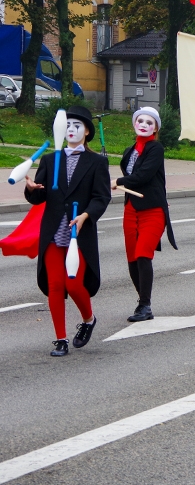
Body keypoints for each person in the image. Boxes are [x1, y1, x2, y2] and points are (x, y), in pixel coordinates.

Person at [23, 106, 111, 356]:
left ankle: (88, 319)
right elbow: (41, 196)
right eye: (68, 125)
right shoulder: (51, 159)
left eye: (77, 126)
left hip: (78, 235)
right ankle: (60, 339)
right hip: (53, 233)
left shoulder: (97, 162)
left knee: (73, 283)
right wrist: (31, 189)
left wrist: (86, 215)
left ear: (86, 132)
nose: (71, 130)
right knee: (55, 285)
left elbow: (101, 196)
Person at [112, 107, 177, 322]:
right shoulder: (129, 151)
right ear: (134, 124)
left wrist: (119, 182)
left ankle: (145, 305)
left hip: (153, 210)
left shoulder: (155, 148)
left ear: (155, 128)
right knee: (132, 258)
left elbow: (143, 175)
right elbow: (130, 174)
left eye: (150, 123)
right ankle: (143, 302)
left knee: (142, 254)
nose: (144, 125)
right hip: (131, 208)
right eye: (140, 121)